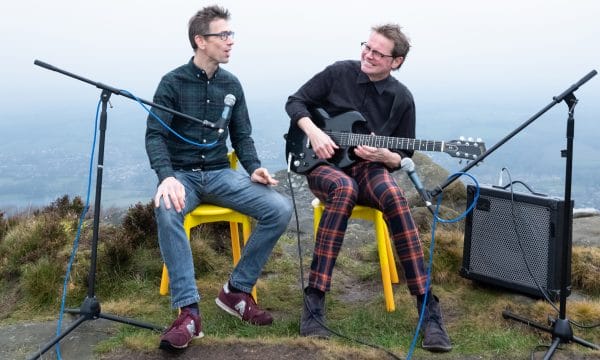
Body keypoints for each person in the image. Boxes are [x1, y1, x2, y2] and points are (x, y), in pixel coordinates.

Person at [284, 24, 452, 352]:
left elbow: (401, 156)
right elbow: (295, 102)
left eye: (378, 53)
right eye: (367, 47)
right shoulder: (338, 73)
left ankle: (427, 309)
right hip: (321, 164)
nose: (368, 55)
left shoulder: (402, 99)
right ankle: (315, 299)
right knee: (343, 190)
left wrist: (383, 154)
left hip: (367, 168)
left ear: (396, 61)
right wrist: (314, 133)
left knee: (394, 196)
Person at [146, 5, 292, 352]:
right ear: (200, 41)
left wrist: (253, 166)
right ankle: (188, 313)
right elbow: (154, 135)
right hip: (182, 176)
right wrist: (166, 177)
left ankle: (236, 291)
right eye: (222, 35)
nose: (230, 42)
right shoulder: (172, 83)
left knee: (280, 208)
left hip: (220, 174)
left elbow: (242, 135)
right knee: (168, 209)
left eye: (231, 35)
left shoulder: (232, 84)